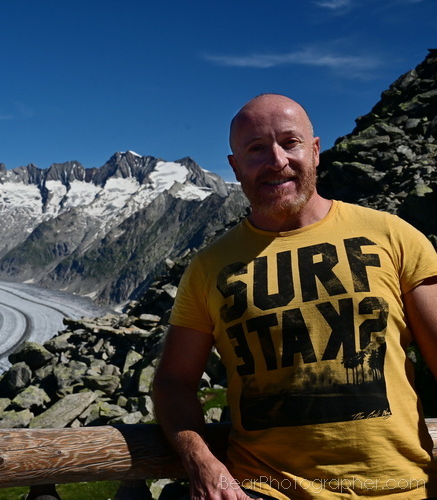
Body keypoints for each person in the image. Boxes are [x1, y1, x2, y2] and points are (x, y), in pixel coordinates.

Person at [152, 93, 437, 499]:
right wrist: (202, 461)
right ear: (234, 166)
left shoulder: (393, 235)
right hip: (265, 490)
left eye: (290, 142)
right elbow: (172, 382)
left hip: (401, 487)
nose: (276, 161)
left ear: (315, 150)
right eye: (255, 149)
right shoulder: (207, 267)